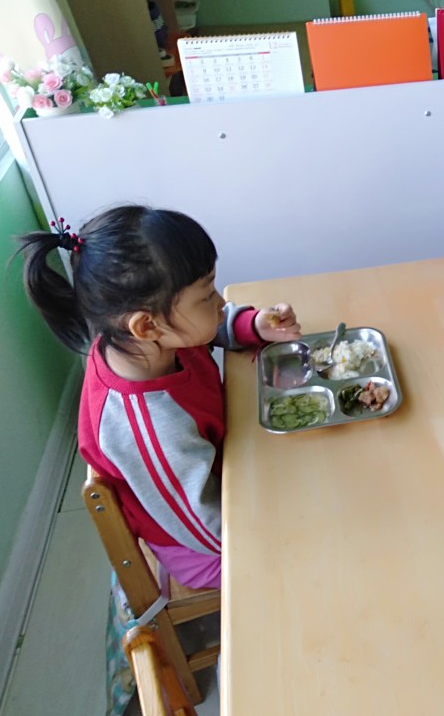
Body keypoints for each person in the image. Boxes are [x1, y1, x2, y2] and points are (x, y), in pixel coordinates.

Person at [17, 205, 302, 589]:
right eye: (207, 295)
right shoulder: (149, 428)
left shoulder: (140, 344)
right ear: (147, 325)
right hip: (207, 548)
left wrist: (252, 324)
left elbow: (206, 329)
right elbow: (206, 528)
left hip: (224, 472)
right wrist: (285, 527)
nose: (220, 304)